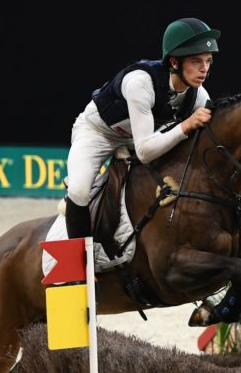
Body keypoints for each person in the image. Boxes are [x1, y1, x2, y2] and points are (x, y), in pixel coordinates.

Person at [64, 18, 219, 238]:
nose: (205, 69)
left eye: (209, 61)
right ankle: (78, 269)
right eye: (196, 61)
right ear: (174, 62)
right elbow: (145, 152)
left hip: (138, 139)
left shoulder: (199, 95)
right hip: (98, 133)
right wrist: (185, 126)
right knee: (79, 191)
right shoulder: (141, 82)